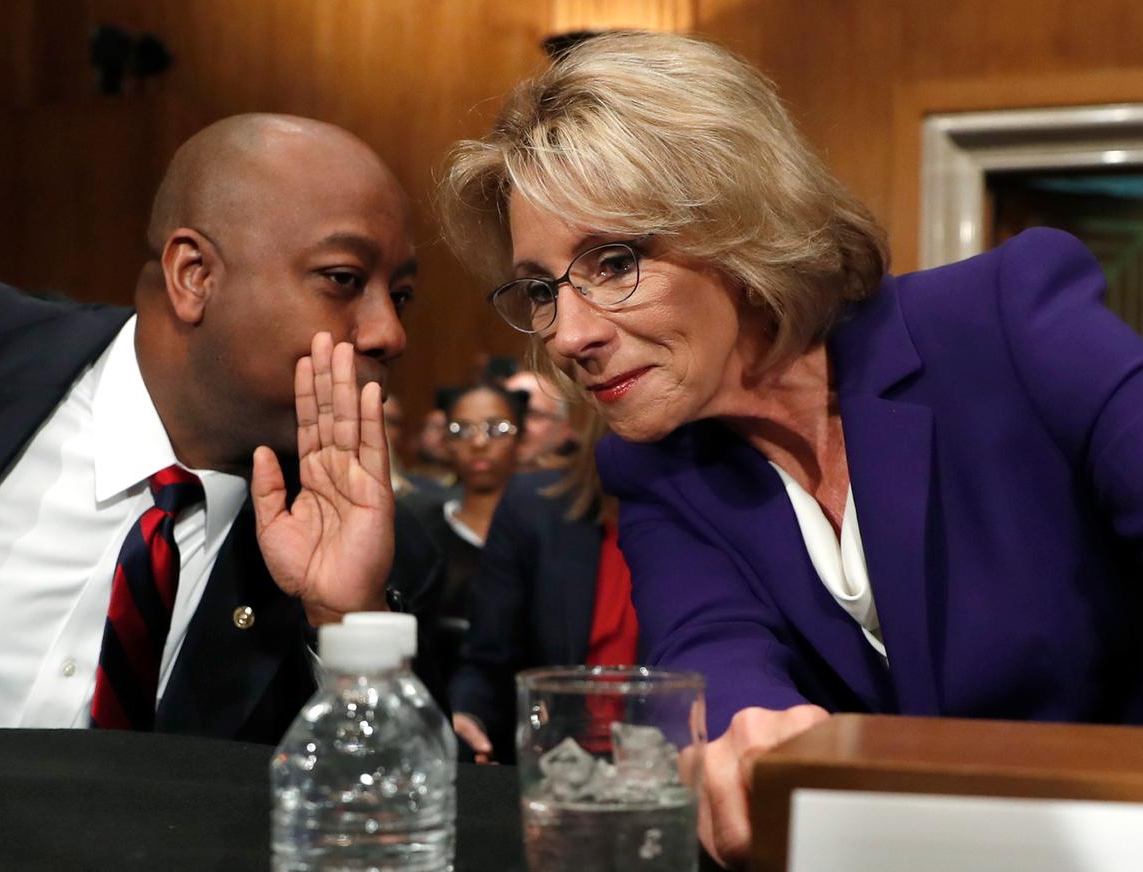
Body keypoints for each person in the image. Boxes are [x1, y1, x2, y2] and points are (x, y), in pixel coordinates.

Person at [439, 30, 1143, 868]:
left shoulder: (1009, 320)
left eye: (616, 260)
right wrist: (748, 737)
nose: (569, 335)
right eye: (541, 290)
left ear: (739, 225)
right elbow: (710, 646)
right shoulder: (657, 464)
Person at [0, 113, 440, 743]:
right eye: (344, 279)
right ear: (194, 276)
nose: (389, 334)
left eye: (399, 296)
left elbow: (391, 816)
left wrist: (344, 620)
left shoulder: (380, 557)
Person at [450, 414, 640, 764]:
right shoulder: (532, 507)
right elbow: (489, 658)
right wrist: (468, 717)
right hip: (559, 766)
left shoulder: (714, 520)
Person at [402, 383, 526, 687]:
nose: (479, 442)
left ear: (520, 438)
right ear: (446, 442)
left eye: (496, 428)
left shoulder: (541, 533)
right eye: (462, 429)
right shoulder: (422, 531)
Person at [504, 370, 576, 469]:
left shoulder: (588, 479)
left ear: (563, 428)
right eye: (512, 414)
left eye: (533, 415)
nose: (519, 425)